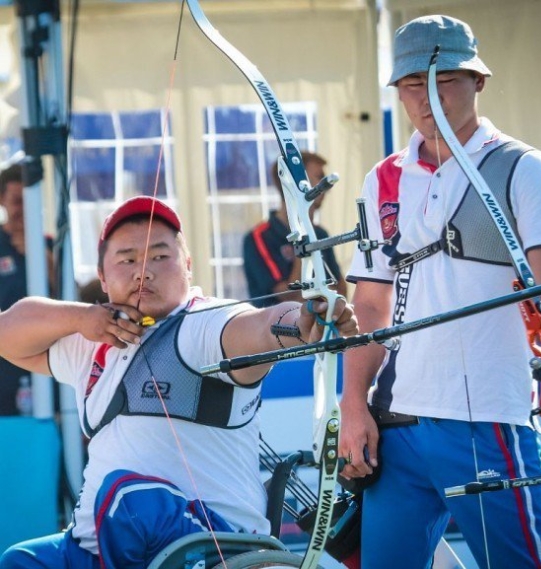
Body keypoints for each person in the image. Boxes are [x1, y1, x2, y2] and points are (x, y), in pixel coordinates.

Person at [0, 195, 357, 568]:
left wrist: (304, 323)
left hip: (206, 543)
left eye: (159, 256)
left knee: (131, 499)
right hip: (99, 545)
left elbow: (262, 326)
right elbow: (8, 331)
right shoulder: (93, 340)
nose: (144, 271)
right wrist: (81, 318)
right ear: (103, 277)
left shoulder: (204, 324)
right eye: (127, 259)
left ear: (187, 265)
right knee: (21, 560)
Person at [338, 14, 541, 569]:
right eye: (414, 84)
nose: (429, 98)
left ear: (478, 82)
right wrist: (352, 404)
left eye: (446, 81)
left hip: (490, 416)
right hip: (397, 424)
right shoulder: (383, 178)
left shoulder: (523, 167)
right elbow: (369, 305)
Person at [243, 151, 347, 307]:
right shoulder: (259, 238)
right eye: (319, 178)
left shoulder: (320, 233)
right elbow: (290, 296)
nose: (326, 189)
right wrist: (304, 233)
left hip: (321, 327)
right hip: (280, 328)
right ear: (297, 183)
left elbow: (340, 290)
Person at [0, 163, 55, 416]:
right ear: (2, 201)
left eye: (29, 201)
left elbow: (75, 301)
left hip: (48, 361)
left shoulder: (50, 246)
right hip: (6, 365)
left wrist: (45, 262)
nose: (23, 209)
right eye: (16, 201)